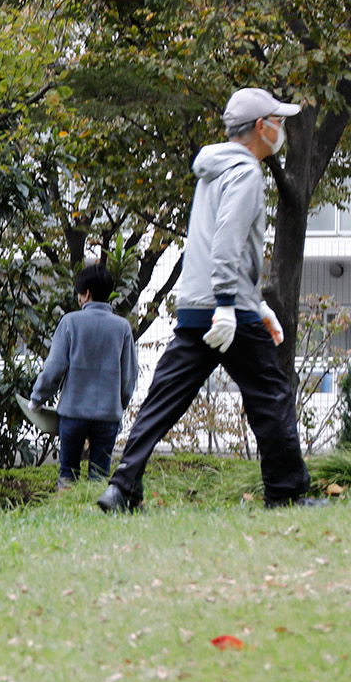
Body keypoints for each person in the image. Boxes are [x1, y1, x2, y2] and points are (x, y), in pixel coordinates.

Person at [98, 87, 312, 512]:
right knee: (271, 397)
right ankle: (285, 493)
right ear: (261, 127)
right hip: (226, 310)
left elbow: (214, 243)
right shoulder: (246, 172)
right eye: (278, 121)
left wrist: (257, 304)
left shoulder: (212, 171)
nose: (281, 129)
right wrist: (231, 305)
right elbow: (228, 241)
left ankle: (121, 488)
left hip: (196, 307)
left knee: (163, 399)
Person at [28, 263, 139, 485]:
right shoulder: (122, 327)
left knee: (67, 474)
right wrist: (119, 404)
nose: (78, 299)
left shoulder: (70, 322)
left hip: (73, 414)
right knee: (99, 477)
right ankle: (96, 507)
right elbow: (129, 377)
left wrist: (36, 400)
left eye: (79, 293)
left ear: (87, 294)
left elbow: (54, 368)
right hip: (108, 415)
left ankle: (66, 506)